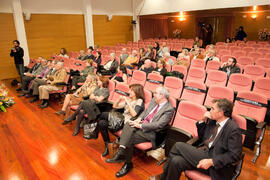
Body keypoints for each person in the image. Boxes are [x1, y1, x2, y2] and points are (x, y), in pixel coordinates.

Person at [150, 98, 242, 180]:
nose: (210, 111)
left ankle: (162, 177)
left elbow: (234, 155)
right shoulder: (213, 121)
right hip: (204, 153)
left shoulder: (233, 129)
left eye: (213, 109)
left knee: (178, 146)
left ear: (221, 113)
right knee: (176, 161)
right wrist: (202, 120)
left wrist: (212, 161)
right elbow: (202, 138)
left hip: (217, 165)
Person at [105, 87, 174, 178]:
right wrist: (138, 119)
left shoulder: (169, 109)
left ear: (162, 96)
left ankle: (124, 159)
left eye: (156, 93)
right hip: (141, 126)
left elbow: (159, 125)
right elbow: (146, 112)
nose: (153, 95)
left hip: (151, 132)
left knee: (129, 136)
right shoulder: (154, 100)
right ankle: (125, 158)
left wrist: (140, 125)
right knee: (129, 124)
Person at [98, 84, 145, 156]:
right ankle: (107, 146)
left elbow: (134, 114)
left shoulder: (139, 100)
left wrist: (128, 103)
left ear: (136, 92)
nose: (129, 91)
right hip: (120, 119)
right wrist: (119, 99)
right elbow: (114, 106)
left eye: (131, 90)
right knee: (101, 123)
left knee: (103, 114)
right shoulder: (129, 99)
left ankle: (94, 132)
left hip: (127, 123)